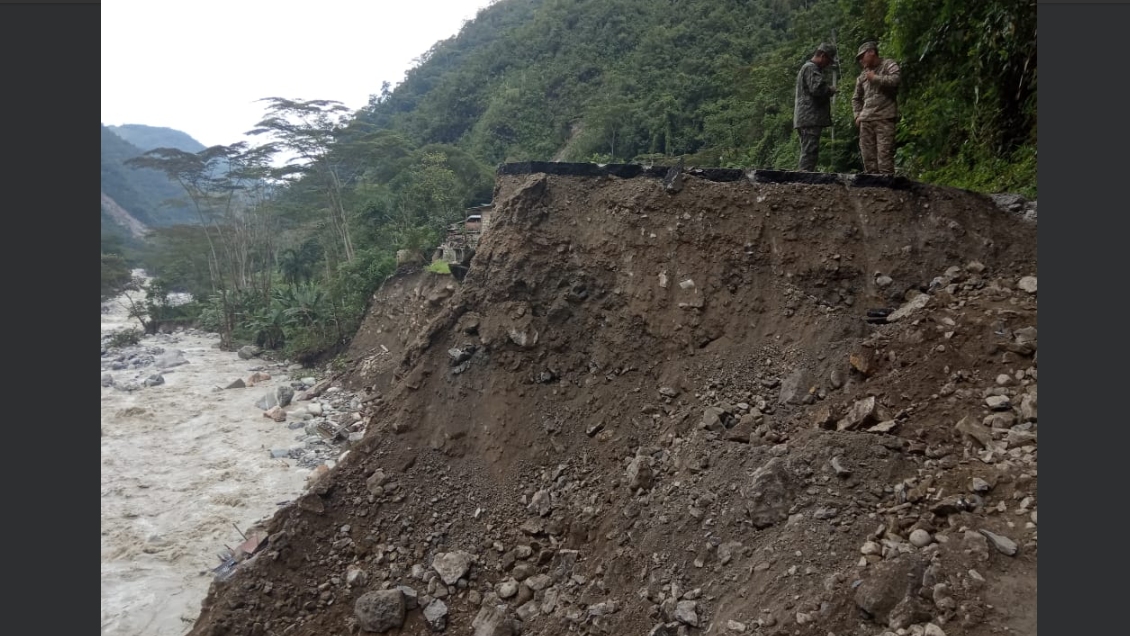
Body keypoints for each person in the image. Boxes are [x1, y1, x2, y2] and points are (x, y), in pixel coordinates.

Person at [851, 41, 901, 174]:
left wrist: (875, 78)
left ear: (871, 52)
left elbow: (896, 80)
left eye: (862, 56)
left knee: (884, 158)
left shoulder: (888, 64)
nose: (861, 60)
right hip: (866, 119)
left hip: (884, 117)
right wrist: (857, 115)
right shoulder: (862, 75)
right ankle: (873, 191)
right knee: (868, 160)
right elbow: (856, 98)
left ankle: (888, 190)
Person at [793, 43, 838, 172]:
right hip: (810, 118)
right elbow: (817, 89)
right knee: (809, 152)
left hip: (805, 118)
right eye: (828, 61)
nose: (828, 65)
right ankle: (804, 179)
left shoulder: (806, 68)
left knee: (808, 150)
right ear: (822, 56)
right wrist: (830, 90)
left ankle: (804, 177)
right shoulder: (811, 68)